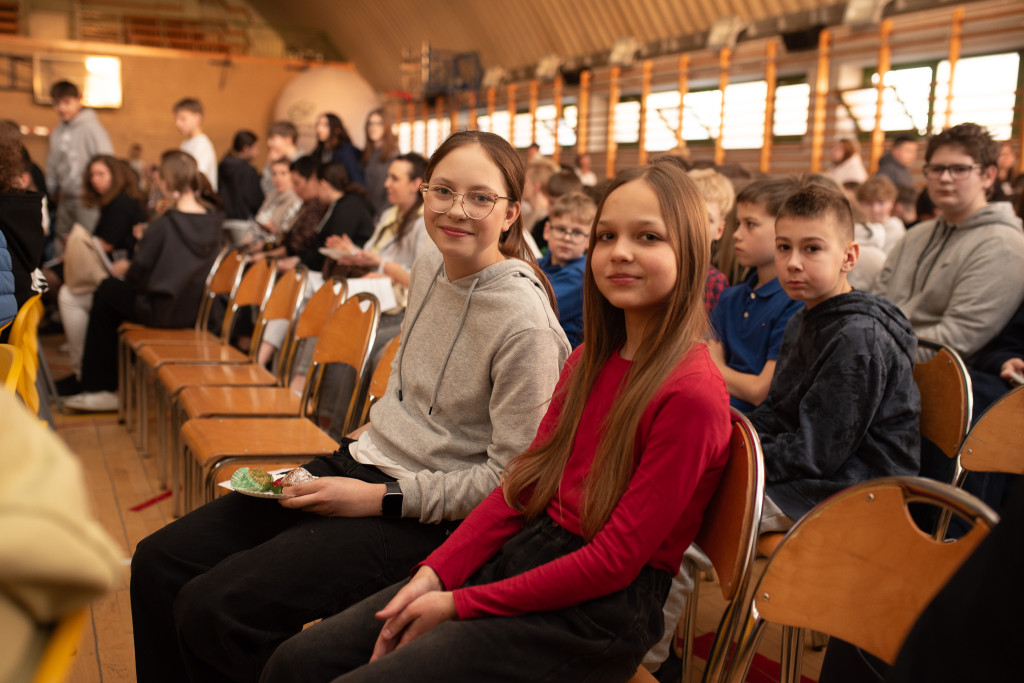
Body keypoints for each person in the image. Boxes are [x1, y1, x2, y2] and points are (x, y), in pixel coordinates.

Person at [259, 154, 733, 683]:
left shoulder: (692, 394)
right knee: (297, 662)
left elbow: (614, 560)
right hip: (532, 551)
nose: (620, 252)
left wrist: (462, 604)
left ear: (691, 251)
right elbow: (520, 487)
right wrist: (436, 574)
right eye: (607, 236)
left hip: (599, 610)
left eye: (648, 237)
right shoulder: (588, 361)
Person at [129, 130, 570, 683]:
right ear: (423, 193)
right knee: (159, 561)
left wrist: (375, 498)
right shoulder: (432, 255)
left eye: (480, 198)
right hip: (356, 463)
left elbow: (513, 484)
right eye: (443, 191)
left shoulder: (525, 325)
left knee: (216, 608)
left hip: (421, 513)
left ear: (510, 214)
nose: (457, 210)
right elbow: (413, 369)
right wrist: (367, 437)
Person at [747, 182, 920, 533]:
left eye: (812, 248)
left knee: (692, 503)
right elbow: (778, 412)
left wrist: (744, 456)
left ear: (849, 257)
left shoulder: (858, 340)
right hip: (819, 472)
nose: (793, 263)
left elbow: (817, 455)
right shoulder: (802, 318)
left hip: (857, 490)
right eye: (784, 247)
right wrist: (733, 436)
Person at [63, 150, 223, 412]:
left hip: (162, 311)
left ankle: (102, 386)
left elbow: (138, 277)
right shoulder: (214, 223)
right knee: (111, 294)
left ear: (166, 183)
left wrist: (133, 257)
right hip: (199, 312)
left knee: (106, 291)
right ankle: (113, 379)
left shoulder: (164, 225)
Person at [874, 122, 1024, 362]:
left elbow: (957, 338)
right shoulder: (915, 235)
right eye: (936, 169)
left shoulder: (1004, 244)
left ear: (988, 176)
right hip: (879, 363)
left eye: (959, 169)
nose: (945, 178)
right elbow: (876, 303)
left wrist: (871, 352)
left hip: (935, 384)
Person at [709, 177, 803, 412]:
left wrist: (717, 366)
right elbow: (701, 366)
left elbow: (759, 391)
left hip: (755, 431)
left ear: (784, 229)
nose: (736, 234)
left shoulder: (795, 301)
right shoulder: (729, 297)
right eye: (738, 223)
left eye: (750, 224)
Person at [56, 155, 146, 395]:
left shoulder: (121, 203)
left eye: (100, 174)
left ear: (115, 176)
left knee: (69, 294)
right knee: (72, 291)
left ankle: (85, 375)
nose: (94, 180)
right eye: (92, 175)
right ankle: (87, 375)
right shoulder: (118, 202)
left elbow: (109, 245)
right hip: (124, 277)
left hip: (131, 282)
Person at [45, 80, 113, 246]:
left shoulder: (92, 129)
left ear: (79, 99)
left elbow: (107, 162)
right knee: (60, 246)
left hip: (87, 200)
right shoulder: (57, 133)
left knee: (83, 246)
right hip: (65, 199)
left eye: (67, 102)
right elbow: (53, 164)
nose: (61, 108)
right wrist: (52, 190)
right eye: (57, 103)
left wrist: (100, 193)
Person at [538, 191, 596, 348]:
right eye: (561, 229)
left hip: (563, 362)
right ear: (547, 231)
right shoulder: (538, 264)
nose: (567, 238)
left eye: (577, 232)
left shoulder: (581, 276)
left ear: (589, 240)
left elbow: (534, 310)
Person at [688, 168, 735, 310]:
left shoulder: (715, 283)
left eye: (708, 219)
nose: (697, 225)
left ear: (719, 230)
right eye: (690, 215)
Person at [850, 175, 905, 291]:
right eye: (869, 203)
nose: (875, 209)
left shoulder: (895, 229)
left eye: (881, 203)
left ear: (892, 202)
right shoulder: (857, 227)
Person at [218, 129, 264, 221]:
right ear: (246, 148)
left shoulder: (222, 165)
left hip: (224, 216)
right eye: (256, 148)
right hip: (243, 219)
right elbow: (254, 198)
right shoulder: (248, 170)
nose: (257, 152)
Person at [361, 108, 400, 217]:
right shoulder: (367, 154)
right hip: (367, 211)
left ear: (386, 127)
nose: (373, 127)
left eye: (378, 124)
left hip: (384, 213)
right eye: (370, 124)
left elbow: (394, 190)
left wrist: (381, 217)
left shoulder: (394, 155)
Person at [173, 98, 218, 191]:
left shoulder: (202, 144)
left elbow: (197, 178)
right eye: (176, 118)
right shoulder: (185, 143)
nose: (178, 123)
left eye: (182, 118)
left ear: (197, 118)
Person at [314, 112, 365, 186]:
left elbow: (357, 180)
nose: (319, 129)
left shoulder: (345, 151)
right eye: (318, 124)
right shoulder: (320, 151)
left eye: (325, 125)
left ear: (337, 130)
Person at [261, 121, 301, 196]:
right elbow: (267, 190)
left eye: (273, 138)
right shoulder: (276, 160)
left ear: (288, 139)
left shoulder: (302, 161)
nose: (268, 143)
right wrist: (270, 165)